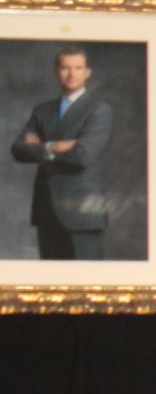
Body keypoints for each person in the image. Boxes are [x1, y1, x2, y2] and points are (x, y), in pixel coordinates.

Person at [9, 46, 113, 259]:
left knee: (85, 278)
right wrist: (53, 147)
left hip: (82, 213)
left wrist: (40, 147)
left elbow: (82, 156)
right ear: (56, 72)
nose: (72, 74)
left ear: (87, 72)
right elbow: (18, 150)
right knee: (51, 277)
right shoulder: (43, 110)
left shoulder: (99, 109)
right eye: (65, 67)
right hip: (46, 210)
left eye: (78, 68)